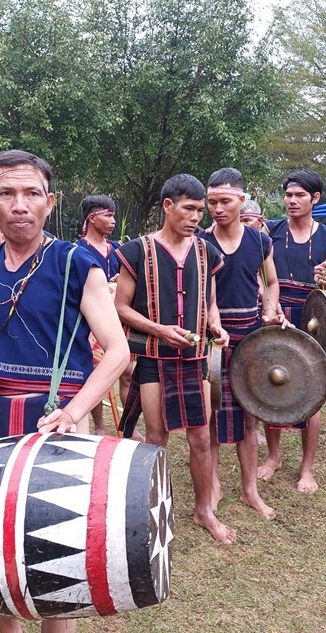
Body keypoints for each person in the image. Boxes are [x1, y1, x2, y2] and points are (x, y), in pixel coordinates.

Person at [0, 150, 129, 633]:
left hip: (54, 423)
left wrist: (74, 412)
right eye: (6, 193)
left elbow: (116, 352)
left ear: (49, 202)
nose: (20, 204)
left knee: (54, 557)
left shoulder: (78, 263)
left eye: (31, 193)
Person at [114, 173, 236, 544]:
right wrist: (158, 329)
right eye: (190, 208)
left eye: (201, 210)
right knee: (156, 436)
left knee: (200, 437)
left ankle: (204, 512)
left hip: (196, 357)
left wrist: (216, 324)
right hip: (153, 356)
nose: (198, 217)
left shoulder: (207, 252)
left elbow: (209, 300)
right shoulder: (137, 251)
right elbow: (120, 307)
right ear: (168, 206)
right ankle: (148, 512)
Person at [198, 168, 283, 520]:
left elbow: (273, 281)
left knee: (250, 417)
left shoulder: (259, 240)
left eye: (225, 201)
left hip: (250, 337)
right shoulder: (201, 242)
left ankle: (250, 489)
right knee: (212, 414)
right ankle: (214, 484)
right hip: (212, 339)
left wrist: (268, 307)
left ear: (241, 200)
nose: (217, 208)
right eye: (212, 202)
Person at [259, 169, 326, 492]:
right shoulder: (271, 231)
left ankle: (307, 468)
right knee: (270, 384)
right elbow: (260, 275)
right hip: (277, 311)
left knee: (312, 391)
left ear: (315, 198)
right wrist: (269, 303)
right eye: (289, 195)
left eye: (300, 196)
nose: (292, 201)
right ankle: (273, 456)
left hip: (314, 316)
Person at [75, 194, 124, 434]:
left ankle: (128, 425)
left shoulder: (118, 250)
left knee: (126, 370)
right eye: (108, 215)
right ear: (92, 218)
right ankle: (100, 426)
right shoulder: (76, 251)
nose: (113, 221)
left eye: (113, 215)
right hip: (89, 323)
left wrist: (120, 281)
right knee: (94, 373)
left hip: (119, 321)